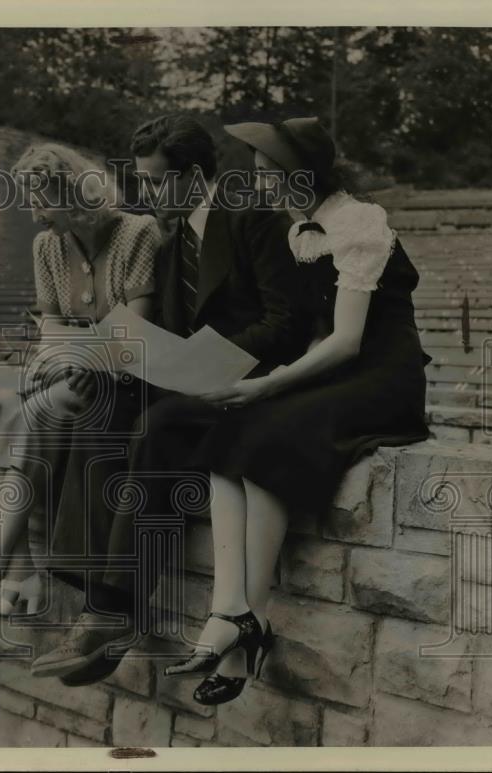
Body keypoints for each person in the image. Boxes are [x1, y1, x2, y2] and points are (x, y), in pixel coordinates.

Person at [160, 117, 431, 705]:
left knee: (267, 435)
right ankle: (229, 609)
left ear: (300, 174)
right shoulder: (299, 230)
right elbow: (315, 335)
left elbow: (348, 340)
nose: (261, 186)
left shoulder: (358, 222)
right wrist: (267, 387)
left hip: (382, 376)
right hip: (336, 369)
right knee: (233, 434)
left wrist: (271, 386)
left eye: (269, 175)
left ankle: (247, 616)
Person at [29, 114, 308, 684]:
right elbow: (167, 337)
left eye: (158, 183)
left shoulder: (252, 218)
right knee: (101, 409)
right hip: (191, 380)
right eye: (144, 183)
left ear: (196, 175)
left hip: (252, 385)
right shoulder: (171, 237)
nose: (147, 195)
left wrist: (217, 360)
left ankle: (112, 613)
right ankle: (96, 610)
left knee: (156, 428)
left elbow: (286, 322)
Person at [0, 143, 162, 626]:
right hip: (72, 369)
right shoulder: (48, 246)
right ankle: (22, 574)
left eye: (43, 198)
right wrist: (59, 358)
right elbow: (52, 326)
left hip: (126, 378)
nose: (35, 211)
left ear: (75, 194)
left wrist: (75, 353)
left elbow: (136, 334)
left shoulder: (137, 233)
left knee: (33, 411)